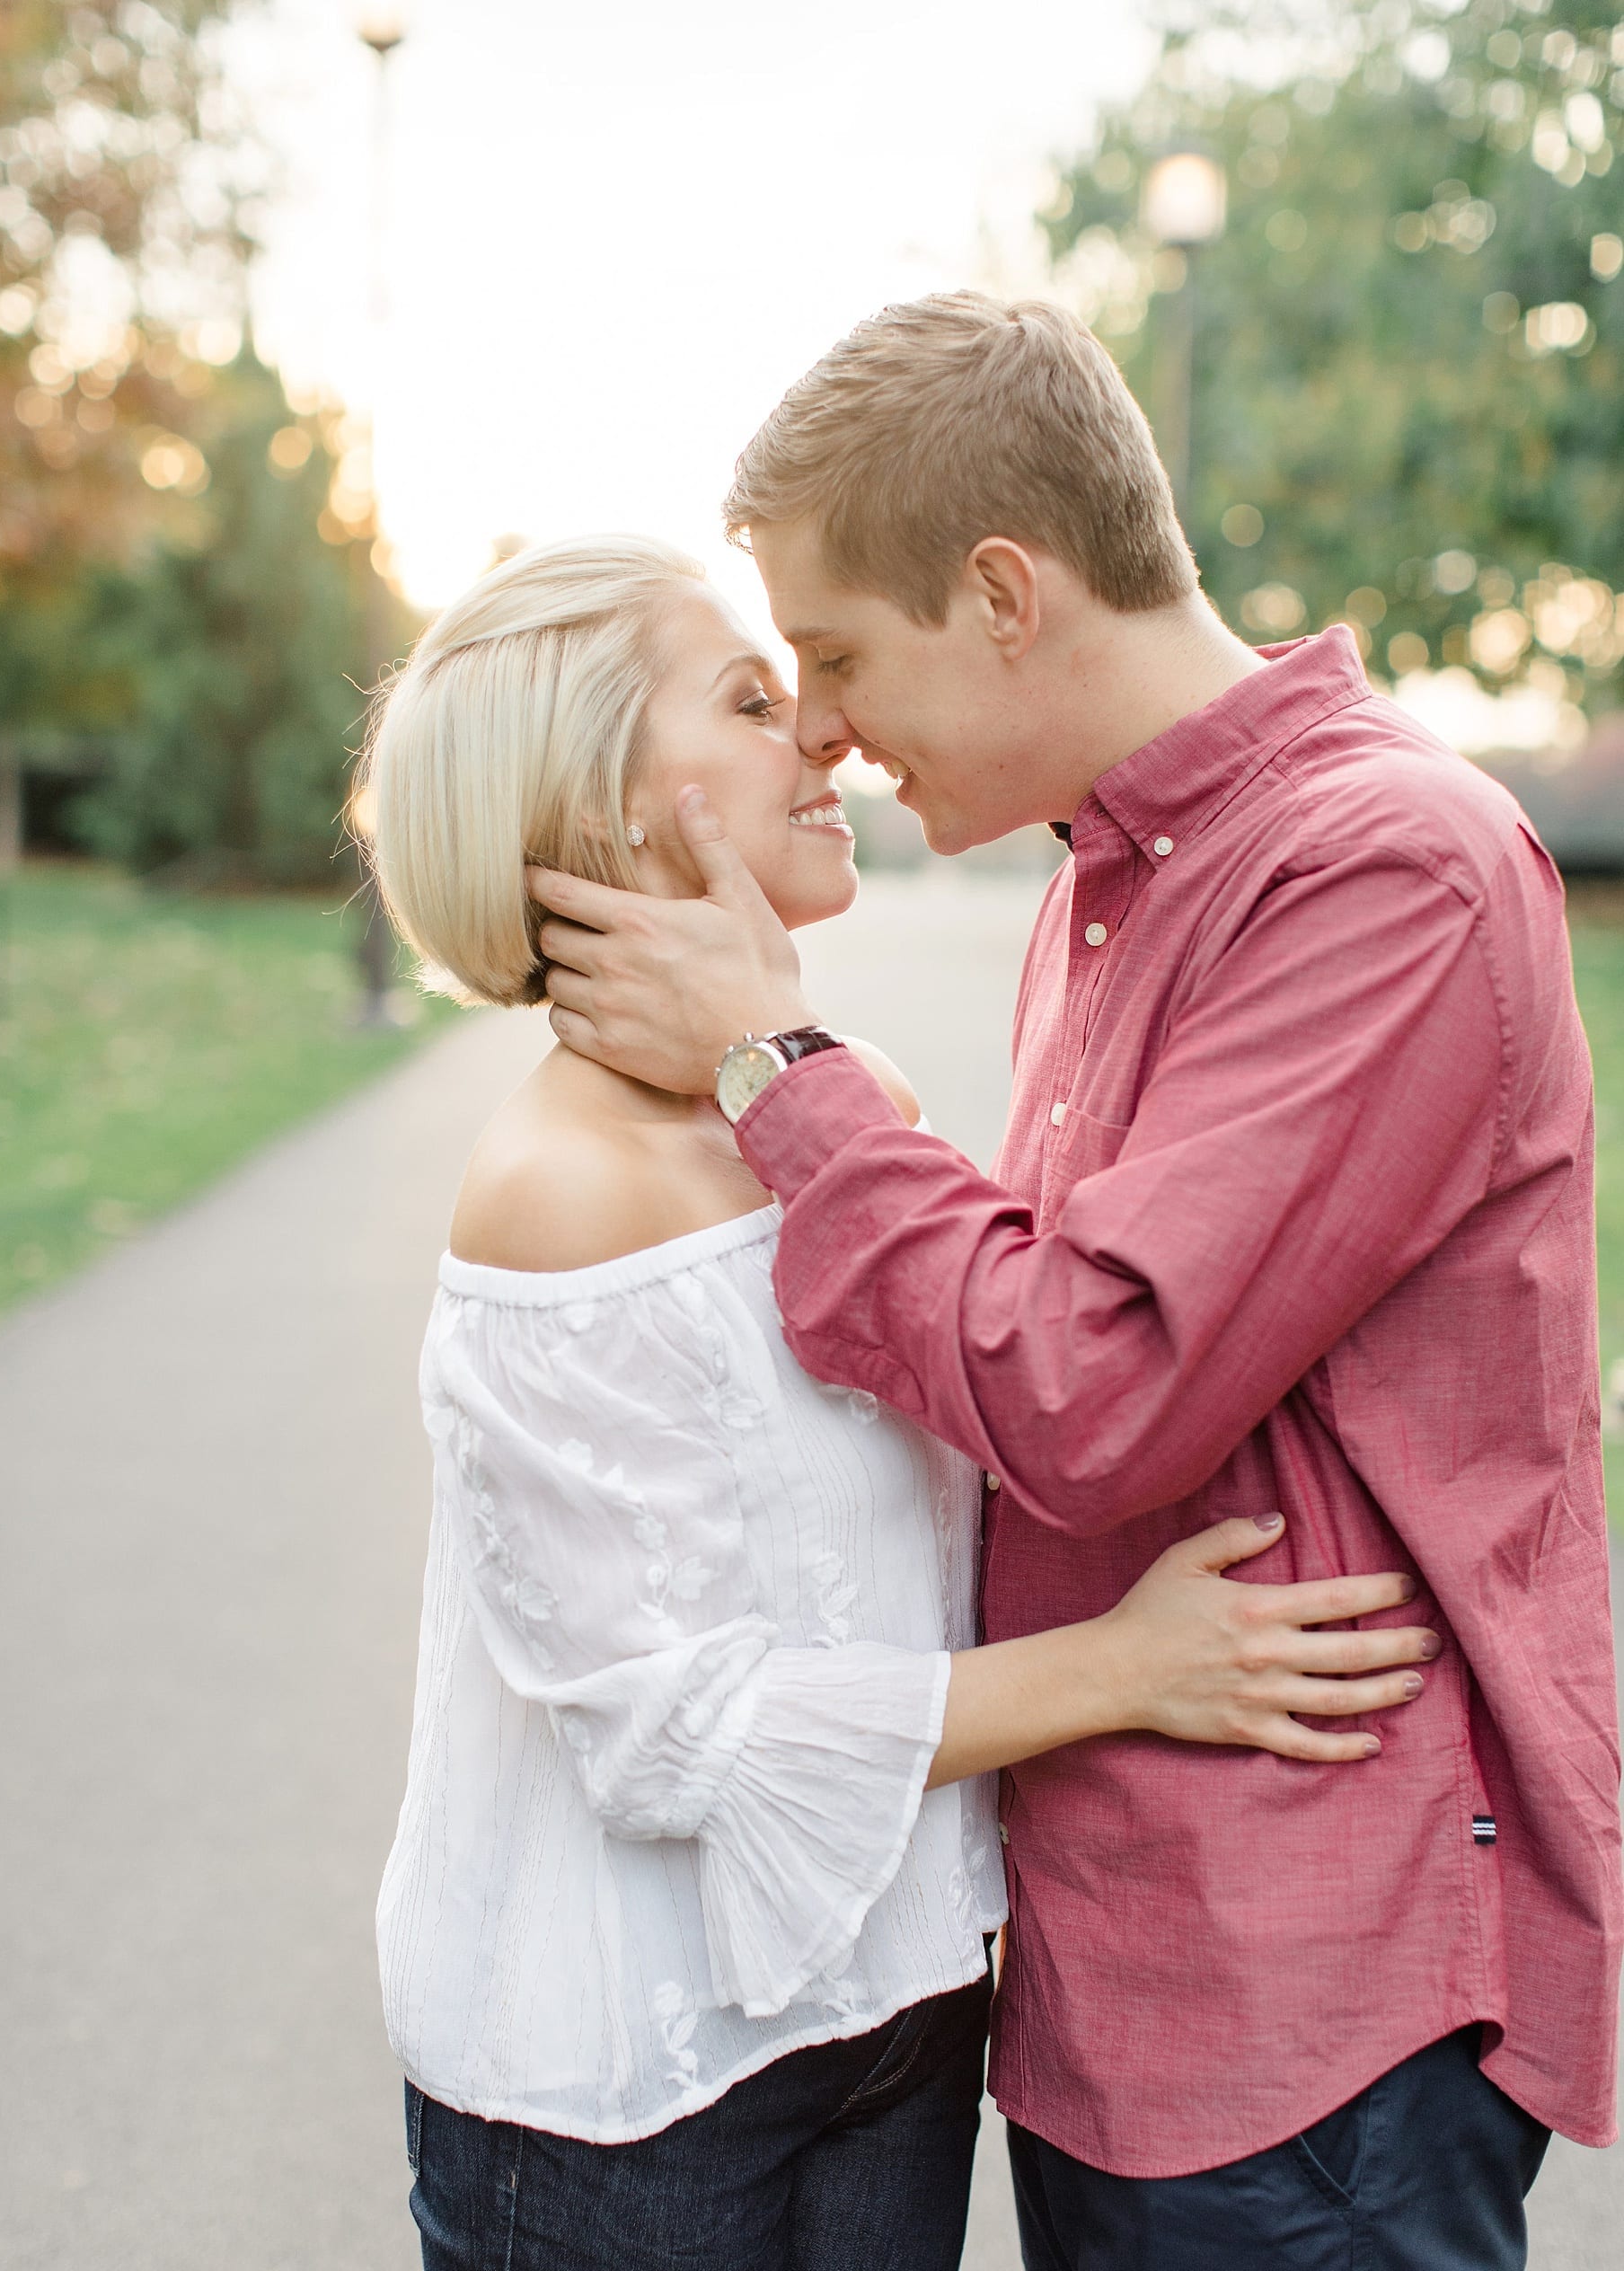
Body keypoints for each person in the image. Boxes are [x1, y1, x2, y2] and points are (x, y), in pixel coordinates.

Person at [526, 295, 1624, 2271]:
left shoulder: (1386, 865)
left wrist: (777, 1069)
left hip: (1309, 2000)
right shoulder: (1119, 886)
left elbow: (1083, 1387)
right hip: (1131, 1963)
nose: (831, 728)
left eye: (842, 655)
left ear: (1006, 591)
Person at [361, 534, 1442, 2271]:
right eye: (752, 701)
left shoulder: (844, 1110)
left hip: (899, 2004)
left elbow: (1022, 1383)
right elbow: (675, 1735)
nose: (826, 743)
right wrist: (1129, 1671)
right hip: (635, 2082)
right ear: (607, 805)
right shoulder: (562, 1196)